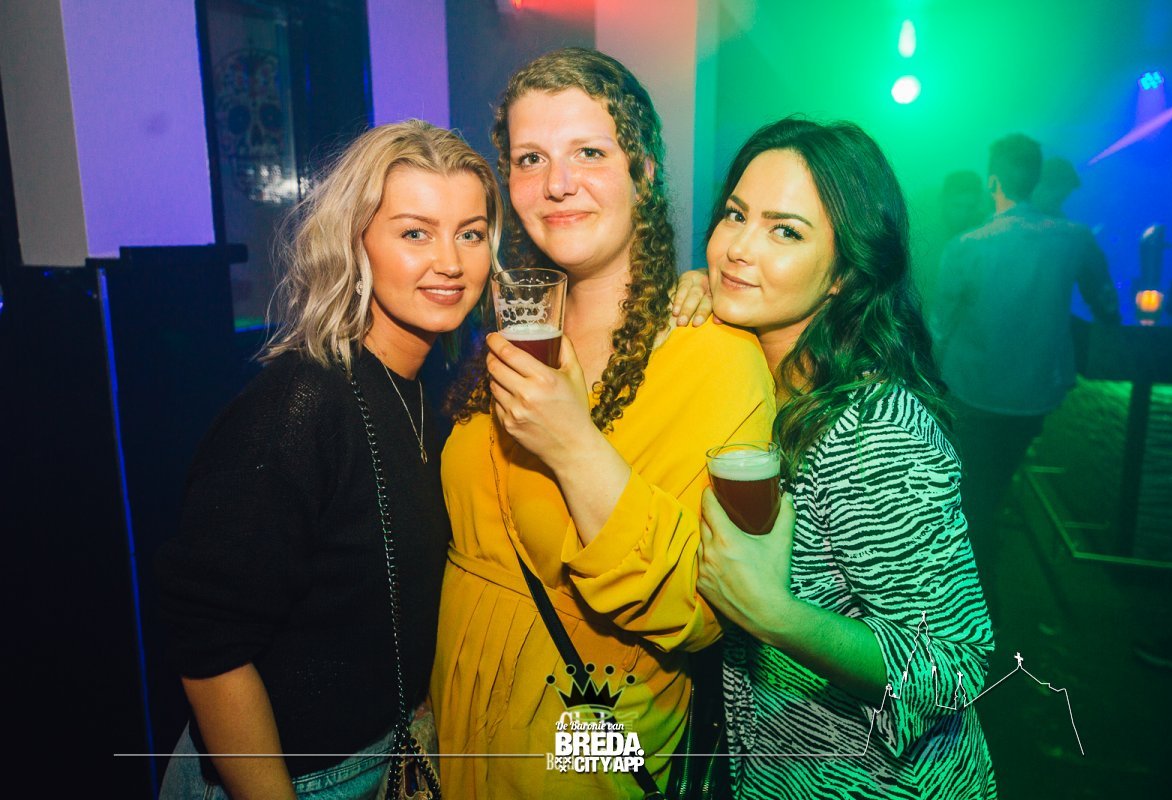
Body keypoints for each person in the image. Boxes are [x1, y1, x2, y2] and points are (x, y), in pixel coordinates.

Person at [430, 48, 774, 797]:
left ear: (643, 172)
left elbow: (703, 611)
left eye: (589, 152)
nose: (557, 183)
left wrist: (572, 442)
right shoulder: (503, 327)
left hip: (586, 745)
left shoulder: (714, 357)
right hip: (458, 736)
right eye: (531, 158)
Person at [155, 120, 502, 800]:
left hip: (386, 755)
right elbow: (209, 647)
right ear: (355, 243)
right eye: (415, 233)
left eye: (471, 232)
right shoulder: (301, 404)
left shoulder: (433, 388)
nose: (451, 262)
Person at [696, 117, 996, 799]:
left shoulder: (874, 430)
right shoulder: (755, 383)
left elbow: (953, 666)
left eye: (785, 231)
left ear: (844, 275)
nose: (738, 248)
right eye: (735, 215)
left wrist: (776, 615)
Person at [930, 134, 1120, 601]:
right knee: (991, 487)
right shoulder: (1074, 238)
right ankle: (983, 580)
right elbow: (1106, 304)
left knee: (974, 498)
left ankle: (977, 602)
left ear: (992, 180)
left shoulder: (967, 246)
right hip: (1036, 396)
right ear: (1035, 179)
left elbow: (940, 329)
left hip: (972, 393)